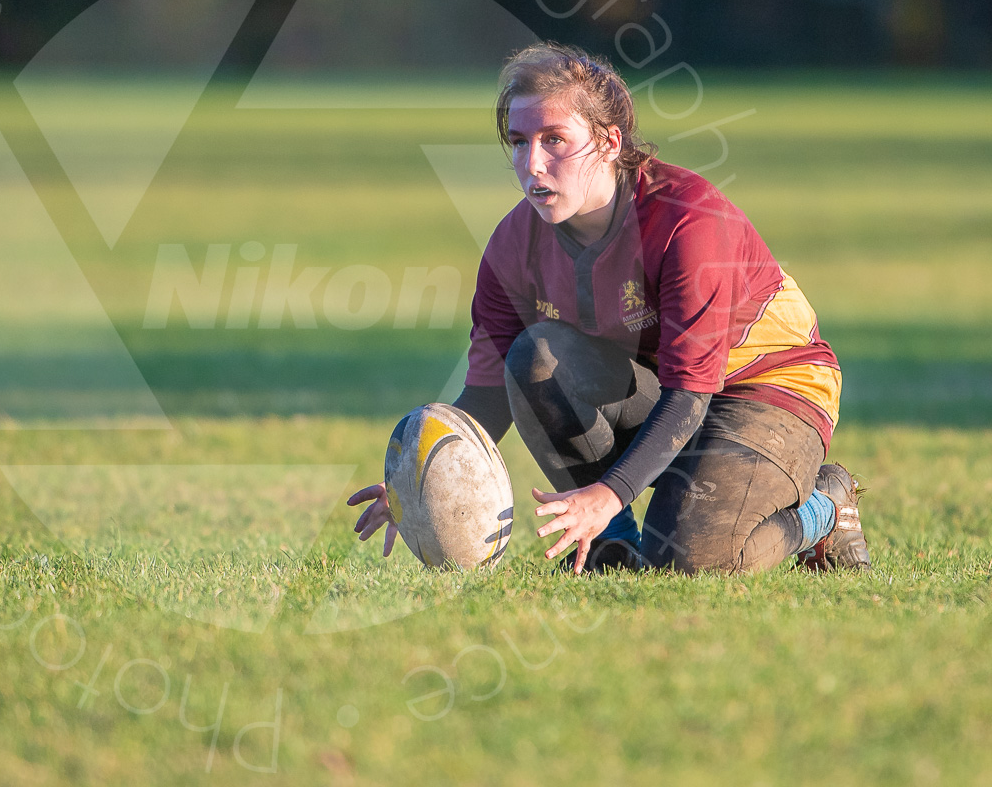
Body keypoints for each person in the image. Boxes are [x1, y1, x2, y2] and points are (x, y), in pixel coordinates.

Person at [349, 42, 870, 575]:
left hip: (766, 389)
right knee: (537, 357)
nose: (532, 164)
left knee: (690, 563)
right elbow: (487, 390)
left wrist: (608, 493)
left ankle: (825, 507)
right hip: (668, 388)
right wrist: (420, 482)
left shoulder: (689, 221)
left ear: (608, 142)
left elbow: (691, 392)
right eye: (519, 141)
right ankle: (610, 547)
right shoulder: (513, 244)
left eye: (555, 140)